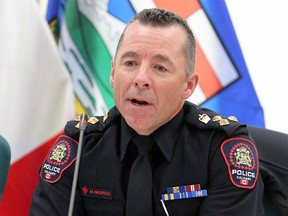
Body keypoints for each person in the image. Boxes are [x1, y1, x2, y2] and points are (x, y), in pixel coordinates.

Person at [30, 8, 264, 215]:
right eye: (130, 63)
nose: (141, 79)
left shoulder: (223, 149)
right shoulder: (79, 146)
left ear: (188, 86)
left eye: (160, 67)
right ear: (113, 73)